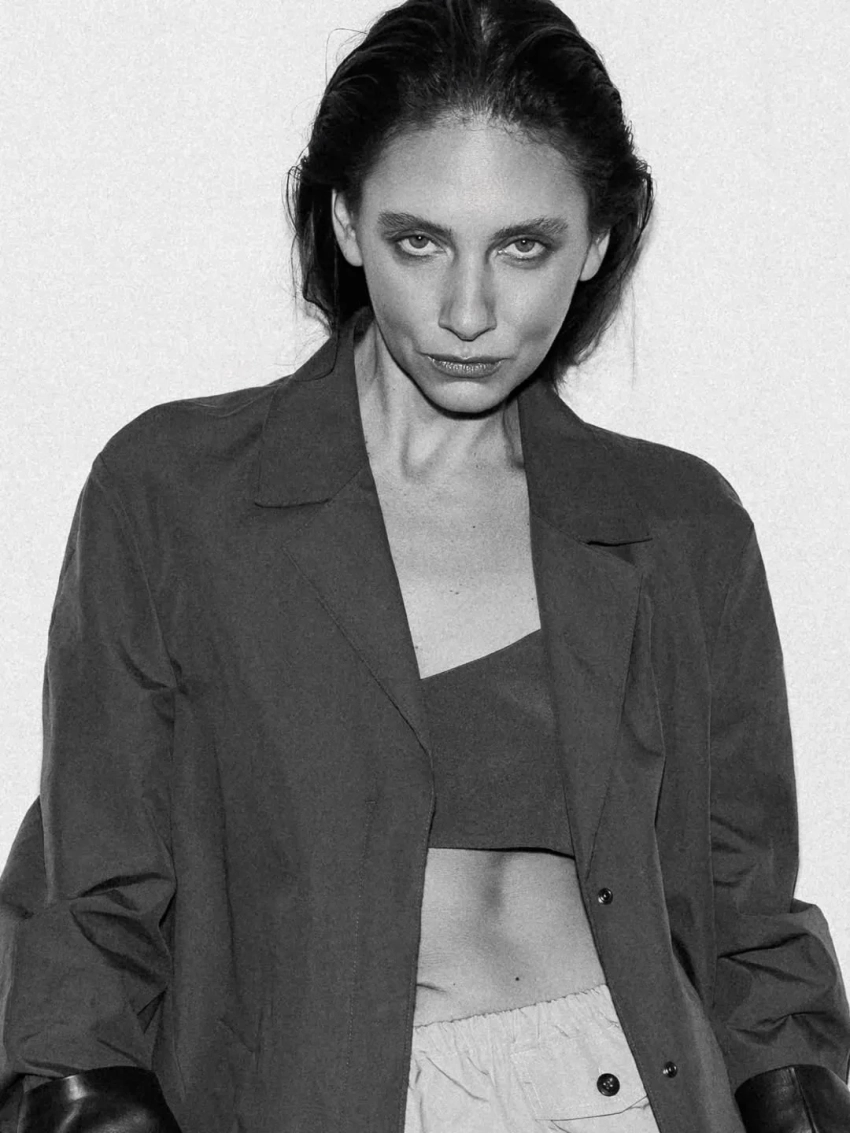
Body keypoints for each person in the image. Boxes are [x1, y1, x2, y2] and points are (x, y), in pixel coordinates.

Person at [1, 0, 849, 1130]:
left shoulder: (677, 525)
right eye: (419, 241)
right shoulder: (176, 496)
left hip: (625, 1090)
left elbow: (746, 914)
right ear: (346, 223)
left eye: (524, 246)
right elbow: (90, 893)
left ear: (598, 242)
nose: (467, 310)